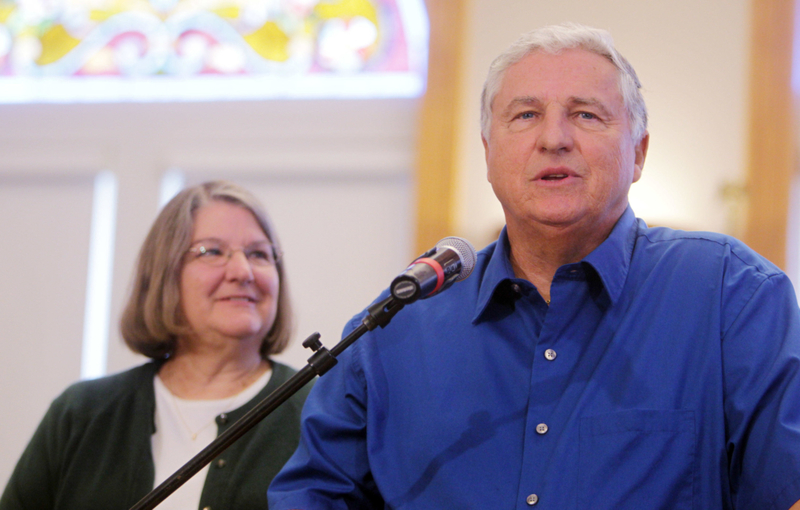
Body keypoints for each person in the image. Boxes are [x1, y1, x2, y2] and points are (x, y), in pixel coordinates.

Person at [267, 23, 800, 510]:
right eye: (525, 115)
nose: (553, 139)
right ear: (488, 151)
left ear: (638, 153)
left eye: (586, 114)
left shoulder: (732, 297)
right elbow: (311, 496)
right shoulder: (397, 326)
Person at [0, 180, 312, 510]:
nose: (242, 270)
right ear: (164, 274)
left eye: (259, 254)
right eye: (212, 252)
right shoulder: (81, 413)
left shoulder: (320, 411)